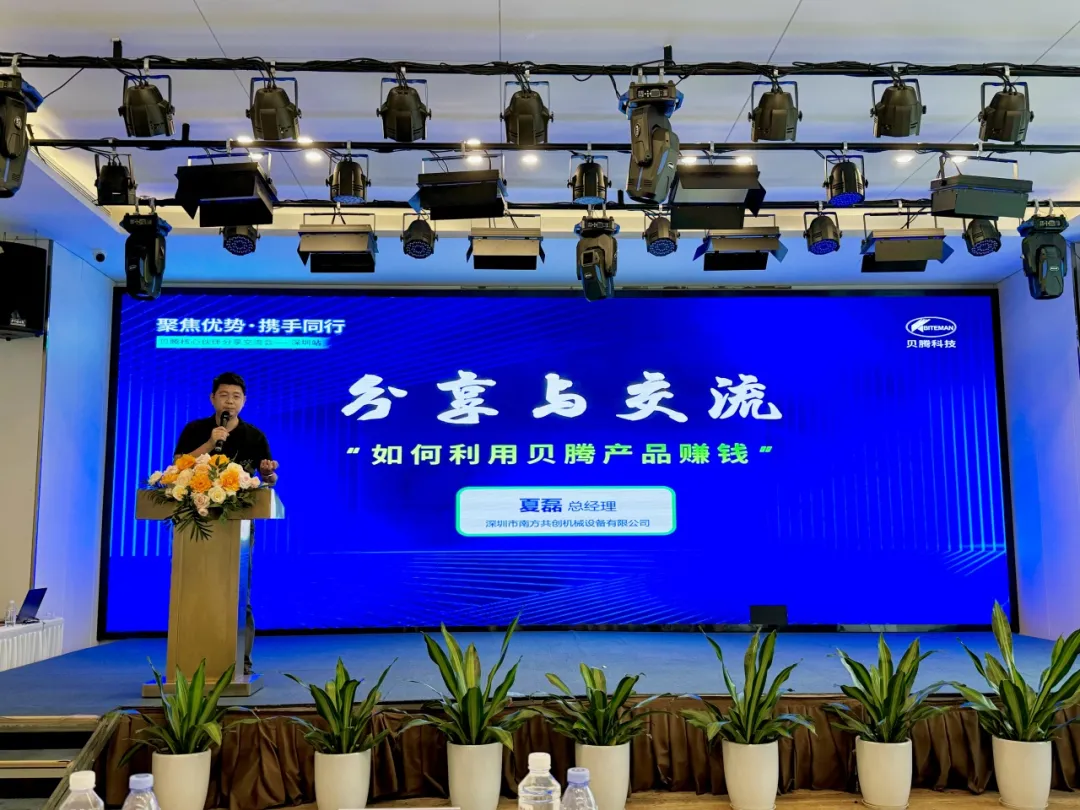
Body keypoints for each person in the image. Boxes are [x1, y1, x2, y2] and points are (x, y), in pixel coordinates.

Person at [174, 371, 278, 676]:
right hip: (195, 520)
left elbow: (269, 478)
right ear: (212, 399)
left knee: (238, 591)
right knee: (194, 590)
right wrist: (210, 442)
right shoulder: (196, 430)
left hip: (239, 524)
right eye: (223, 395)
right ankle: (188, 659)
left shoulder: (254, 436)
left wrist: (268, 473)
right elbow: (178, 466)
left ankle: (240, 661)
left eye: (235, 396)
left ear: (244, 401)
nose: (229, 401)